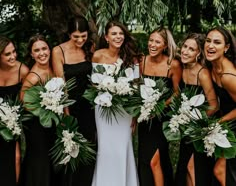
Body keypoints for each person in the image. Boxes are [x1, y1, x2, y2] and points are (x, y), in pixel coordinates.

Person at [91, 20, 140, 186]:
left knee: (122, 147)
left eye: (121, 33)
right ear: (106, 37)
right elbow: (94, 83)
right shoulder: (98, 55)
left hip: (124, 110)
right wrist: (108, 88)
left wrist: (135, 114)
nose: (118, 37)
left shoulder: (131, 57)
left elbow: (136, 86)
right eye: (114, 34)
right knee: (105, 148)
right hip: (103, 107)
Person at [52, 15, 96, 186]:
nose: (80, 40)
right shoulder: (58, 51)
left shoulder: (90, 47)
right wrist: (66, 115)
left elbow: (95, 77)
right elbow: (60, 84)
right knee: (71, 150)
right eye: (76, 36)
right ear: (69, 34)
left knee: (89, 149)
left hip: (89, 107)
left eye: (83, 36)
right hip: (70, 106)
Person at [138, 27, 182, 186]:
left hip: (161, 119)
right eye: (151, 40)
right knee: (145, 159)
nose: (152, 44)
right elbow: (137, 88)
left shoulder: (173, 65)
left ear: (165, 45)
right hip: (145, 117)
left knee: (154, 161)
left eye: (157, 42)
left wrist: (160, 106)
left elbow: (177, 93)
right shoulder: (141, 61)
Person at [175, 33, 218, 186]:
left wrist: (195, 122)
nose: (185, 51)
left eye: (191, 49)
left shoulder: (203, 74)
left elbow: (214, 105)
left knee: (193, 167)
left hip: (200, 129)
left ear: (198, 53)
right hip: (186, 129)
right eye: (185, 47)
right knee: (185, 166)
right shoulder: (182, 68)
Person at [19, 34, 55, 186]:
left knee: (50, 160)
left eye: (44, 48)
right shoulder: (33, 76)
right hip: (36, 125)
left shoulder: (53, 68)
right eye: (37, 50)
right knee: (40, 161)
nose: (42, 53)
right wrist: (45, 107)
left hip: (50, 124)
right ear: (32, 54)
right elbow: (23, 101)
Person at [204, 26, 236, 186]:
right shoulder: (212, 67)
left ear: (226, 47)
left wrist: (219, 121)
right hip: (227, 124)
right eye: (208, 41)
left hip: (232, 124)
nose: (210, 46)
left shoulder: (229, 76)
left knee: (221, 171)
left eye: (217, 42)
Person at [0, 36, 29, 186]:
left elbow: (27, 102)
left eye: (14, 52)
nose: (13, 56)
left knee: (16, 158)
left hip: (15, 125)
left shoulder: (22, 71)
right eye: (7, 54)